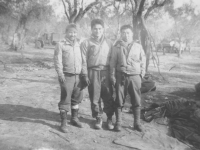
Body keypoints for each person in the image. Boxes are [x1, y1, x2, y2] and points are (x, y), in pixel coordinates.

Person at [110, 25, 146, 132]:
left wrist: (141, 74)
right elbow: (112, 62)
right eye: (123, 33)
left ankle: (137, 123)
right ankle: (118, 123)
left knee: (136, 99)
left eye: (128, 33)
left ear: (132, 34)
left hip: (135, 76)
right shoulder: (117, 47)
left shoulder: (138, 46)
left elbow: (143, 61)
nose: (126, 35)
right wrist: (112, 75)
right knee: (119, 99)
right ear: (121, 34)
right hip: (121, 76)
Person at [81, 19, 115, 130]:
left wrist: (112, 75)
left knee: (108, 96)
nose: (97, 31)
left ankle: (109, 118)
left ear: (103, 29)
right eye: (95, 29)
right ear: (91, 30)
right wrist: (85, 75)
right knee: (95, 97)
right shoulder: (86, 42)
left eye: (100, 28)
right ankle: (98, 118)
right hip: (93, 72)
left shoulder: (109, 43)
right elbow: (83, 60)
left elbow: (112, 60)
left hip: (106, 72)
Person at [54, 24, 84, 133]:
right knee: (65, 98)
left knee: (76, 98)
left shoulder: (79, 44)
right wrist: (60, 74)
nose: (73, 34)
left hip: (78, 76)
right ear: (66, 33)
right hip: (67, 76)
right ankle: (63, 122)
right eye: (70, 32)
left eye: (74, 32)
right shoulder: (61, 44)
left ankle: (74, 118)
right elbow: (58, 60)